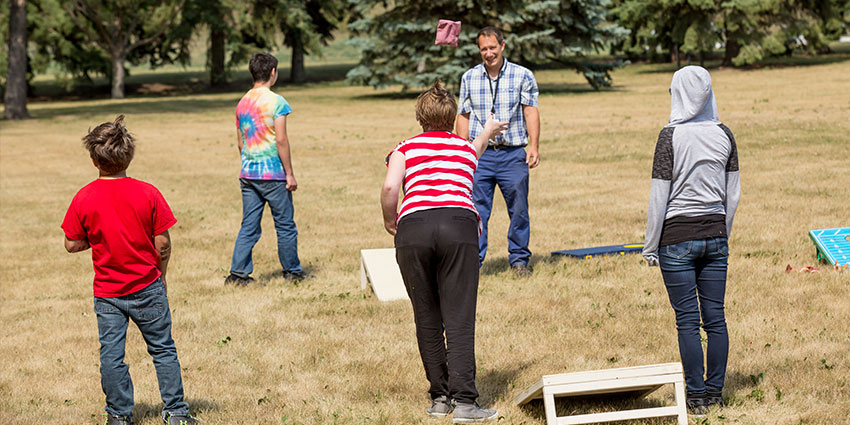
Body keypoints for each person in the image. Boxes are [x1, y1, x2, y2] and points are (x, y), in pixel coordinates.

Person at [61, 116, 202, 425]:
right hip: (148, 287)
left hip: (108, 293)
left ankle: (119, 416)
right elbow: (162, 243)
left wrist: (96, 239)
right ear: (129, 155)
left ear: (93, 160)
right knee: (163, 349)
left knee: (112, 357)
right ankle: (177, 412)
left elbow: (71, 244)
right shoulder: (148, 193)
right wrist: (161, 275)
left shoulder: (83, 198)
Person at [381, 80, 508, 423]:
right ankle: (466, 403)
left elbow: (392, 185)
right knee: (459, 318)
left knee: (427, 315)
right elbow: (477, 147)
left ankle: (439, 398)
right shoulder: (464, 149)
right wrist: (490, 130)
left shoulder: (404, 148)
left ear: (420, 117)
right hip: (458, 227)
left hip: (414, 229)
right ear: (453, 118)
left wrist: (391, 221)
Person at [642, 66, 741, 416]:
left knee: (687, 320)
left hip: (676, 239)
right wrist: (721, 230)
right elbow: (733, 194)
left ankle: (696, 398)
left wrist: (650, 244)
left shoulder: (669, 136)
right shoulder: (724, 133)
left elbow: (659, 196)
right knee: (716, 319)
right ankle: (715, 394)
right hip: (716, 234)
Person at [456, 26, 540, 277]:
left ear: (503, 46)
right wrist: (463, 150)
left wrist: (534, 145)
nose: (489, 53)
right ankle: (474, 261)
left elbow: (530, 111)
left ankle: (519, 260)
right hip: (480, 154)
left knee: (519, 209)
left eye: (493, 47)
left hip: (512, 154)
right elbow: (463, 115)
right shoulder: (469, 77)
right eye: (484, 49)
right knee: (476, 210)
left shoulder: (522, 75)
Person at [225, 52, 309, 285]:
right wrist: (289, 173)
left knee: (249, 226)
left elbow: (241, 142)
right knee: (285, 225)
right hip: (272, 174)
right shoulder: (277, 102)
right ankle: (292, 271)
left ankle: (238, 274)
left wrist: (249, 163)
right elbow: (281, 139)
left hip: (248, 173)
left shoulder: (242, 103)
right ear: (273, 73)